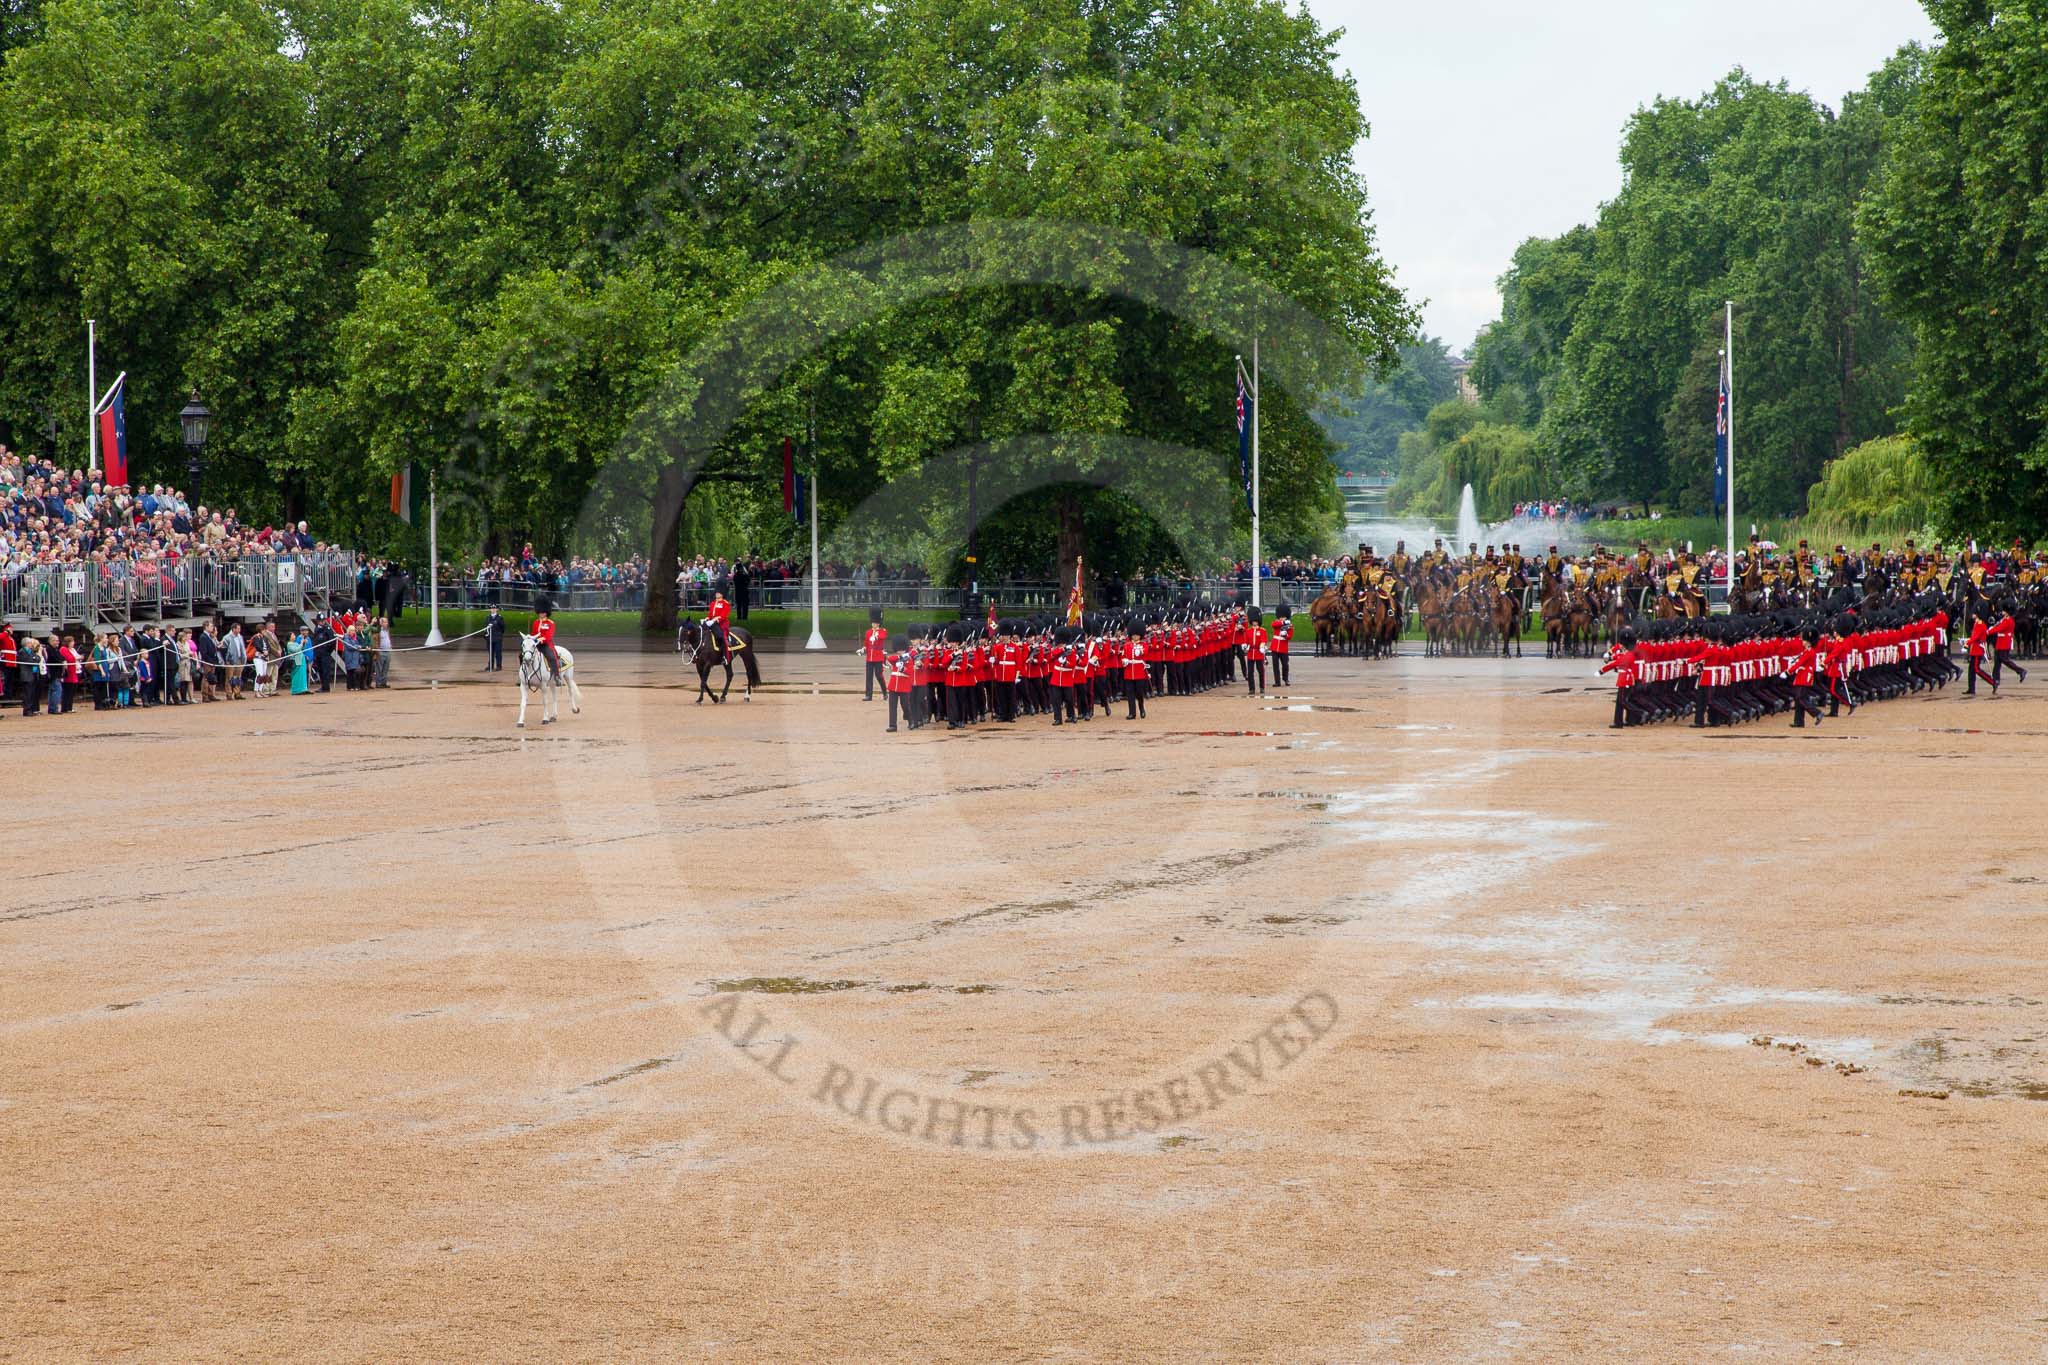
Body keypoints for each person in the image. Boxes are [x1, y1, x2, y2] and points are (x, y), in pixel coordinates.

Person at [860, 609, 887, 700]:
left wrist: (875, 636)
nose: (874, 624)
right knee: (869, 676)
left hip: (878, 657)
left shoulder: (882, 631)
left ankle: (885, 692)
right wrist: (863, 650)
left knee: (879, 676)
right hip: (869, 658)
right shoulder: (868, 632)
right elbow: (866, 644)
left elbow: (882, 636)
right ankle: (868, 695)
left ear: (879, 623)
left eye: (875, 623)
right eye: (873, 622)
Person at [533, 603, 562, 680]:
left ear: (546, 613)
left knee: (552, 657)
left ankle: (556, 676)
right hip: (536, 644)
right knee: (524, 655)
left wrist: (539, 640)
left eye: (542, 612)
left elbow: (548, 636)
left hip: (546, 644)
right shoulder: (536, 622)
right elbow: (533, 633)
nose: (541, 614)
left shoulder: (550, 623)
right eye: (539, 612)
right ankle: (524, 675)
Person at [485, 606, 505, 672]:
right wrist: (486, 636)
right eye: (492, 608)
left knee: (498, 653)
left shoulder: (500, 617)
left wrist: (499, 634)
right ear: (490, 609)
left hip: (497, 638)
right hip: (490, 638)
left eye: (494, 608)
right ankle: (491, 665)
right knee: (491, 653)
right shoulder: (488, 617)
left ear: (496, 609)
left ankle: (499, 666)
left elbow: (503, 628)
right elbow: (485, 628)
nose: (493, 609)